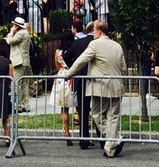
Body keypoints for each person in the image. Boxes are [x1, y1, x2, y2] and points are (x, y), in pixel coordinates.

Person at [65, 20, 128, 159]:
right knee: (113, 117)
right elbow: (123, 67)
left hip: (100, 86)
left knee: (97, 114)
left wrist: (69, 73)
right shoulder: (117, 45)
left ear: (99, 31)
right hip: (116, 86)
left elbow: (81, 60)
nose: (92, 32)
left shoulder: (94, 44)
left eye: (94, 30)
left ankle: (113, 141)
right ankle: (110, 148)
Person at [63, 20, 97, 148]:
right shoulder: (95, 43)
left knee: (83, 110)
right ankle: (101, 137)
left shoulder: (77, 43)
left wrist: (74, 68)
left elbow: (66, 56)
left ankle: (84, 139)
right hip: (94, 78)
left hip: (80, 79)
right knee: (97, 108)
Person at [52, 32, 76, 146]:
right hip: (72, 75)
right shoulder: (73, 49)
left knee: (64, 108)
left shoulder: (58, 52)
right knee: (77, 105)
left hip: (61, 75)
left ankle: (66, 132)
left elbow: (57, 65)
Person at [6, 16, 32, 112]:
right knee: (24, 84)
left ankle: (18, 105)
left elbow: (9, 41)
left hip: (19, 62)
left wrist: (11, 32)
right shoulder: (25, 33)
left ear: (17, 26)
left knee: (16, 84)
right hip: (25, 61)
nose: (13, 26)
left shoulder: (20, 34)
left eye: (14, 25)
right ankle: (25, 105)